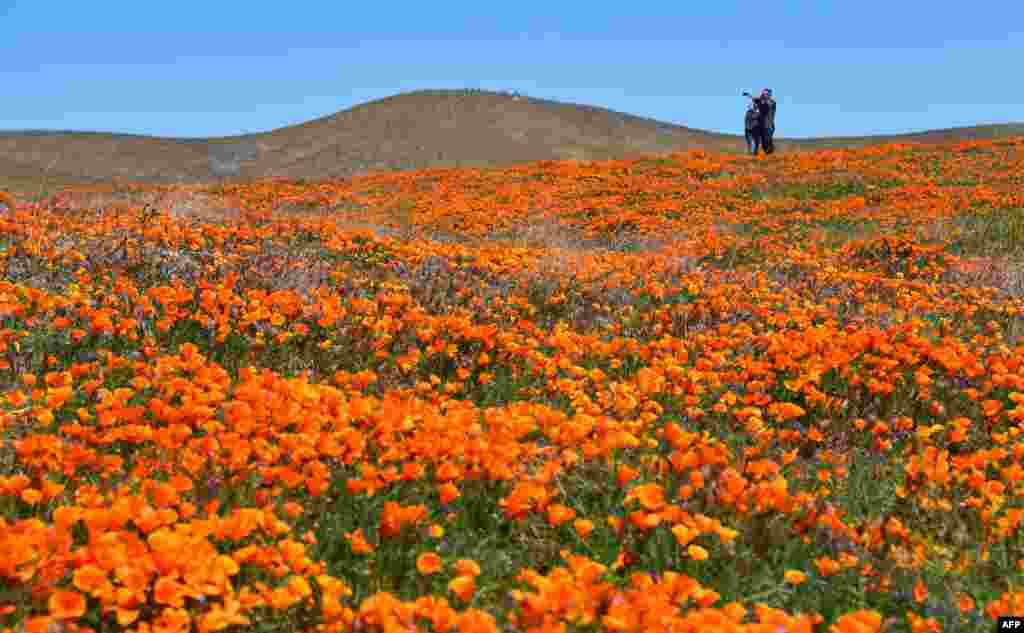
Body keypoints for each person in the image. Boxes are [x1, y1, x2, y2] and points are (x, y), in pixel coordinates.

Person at [754, 89, 777, 154]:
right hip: (762, 125)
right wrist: (756, 101)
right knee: (763, 142)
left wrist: (760, 101)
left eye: (766, 94)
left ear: (769, 95)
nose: (764, 95)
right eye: (763, 94)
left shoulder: (772, 102)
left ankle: (770, 152)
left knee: (767, 140)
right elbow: (757, 108)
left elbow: (767, 105)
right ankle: (768, 153)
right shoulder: (761, 102)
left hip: (769, 125)